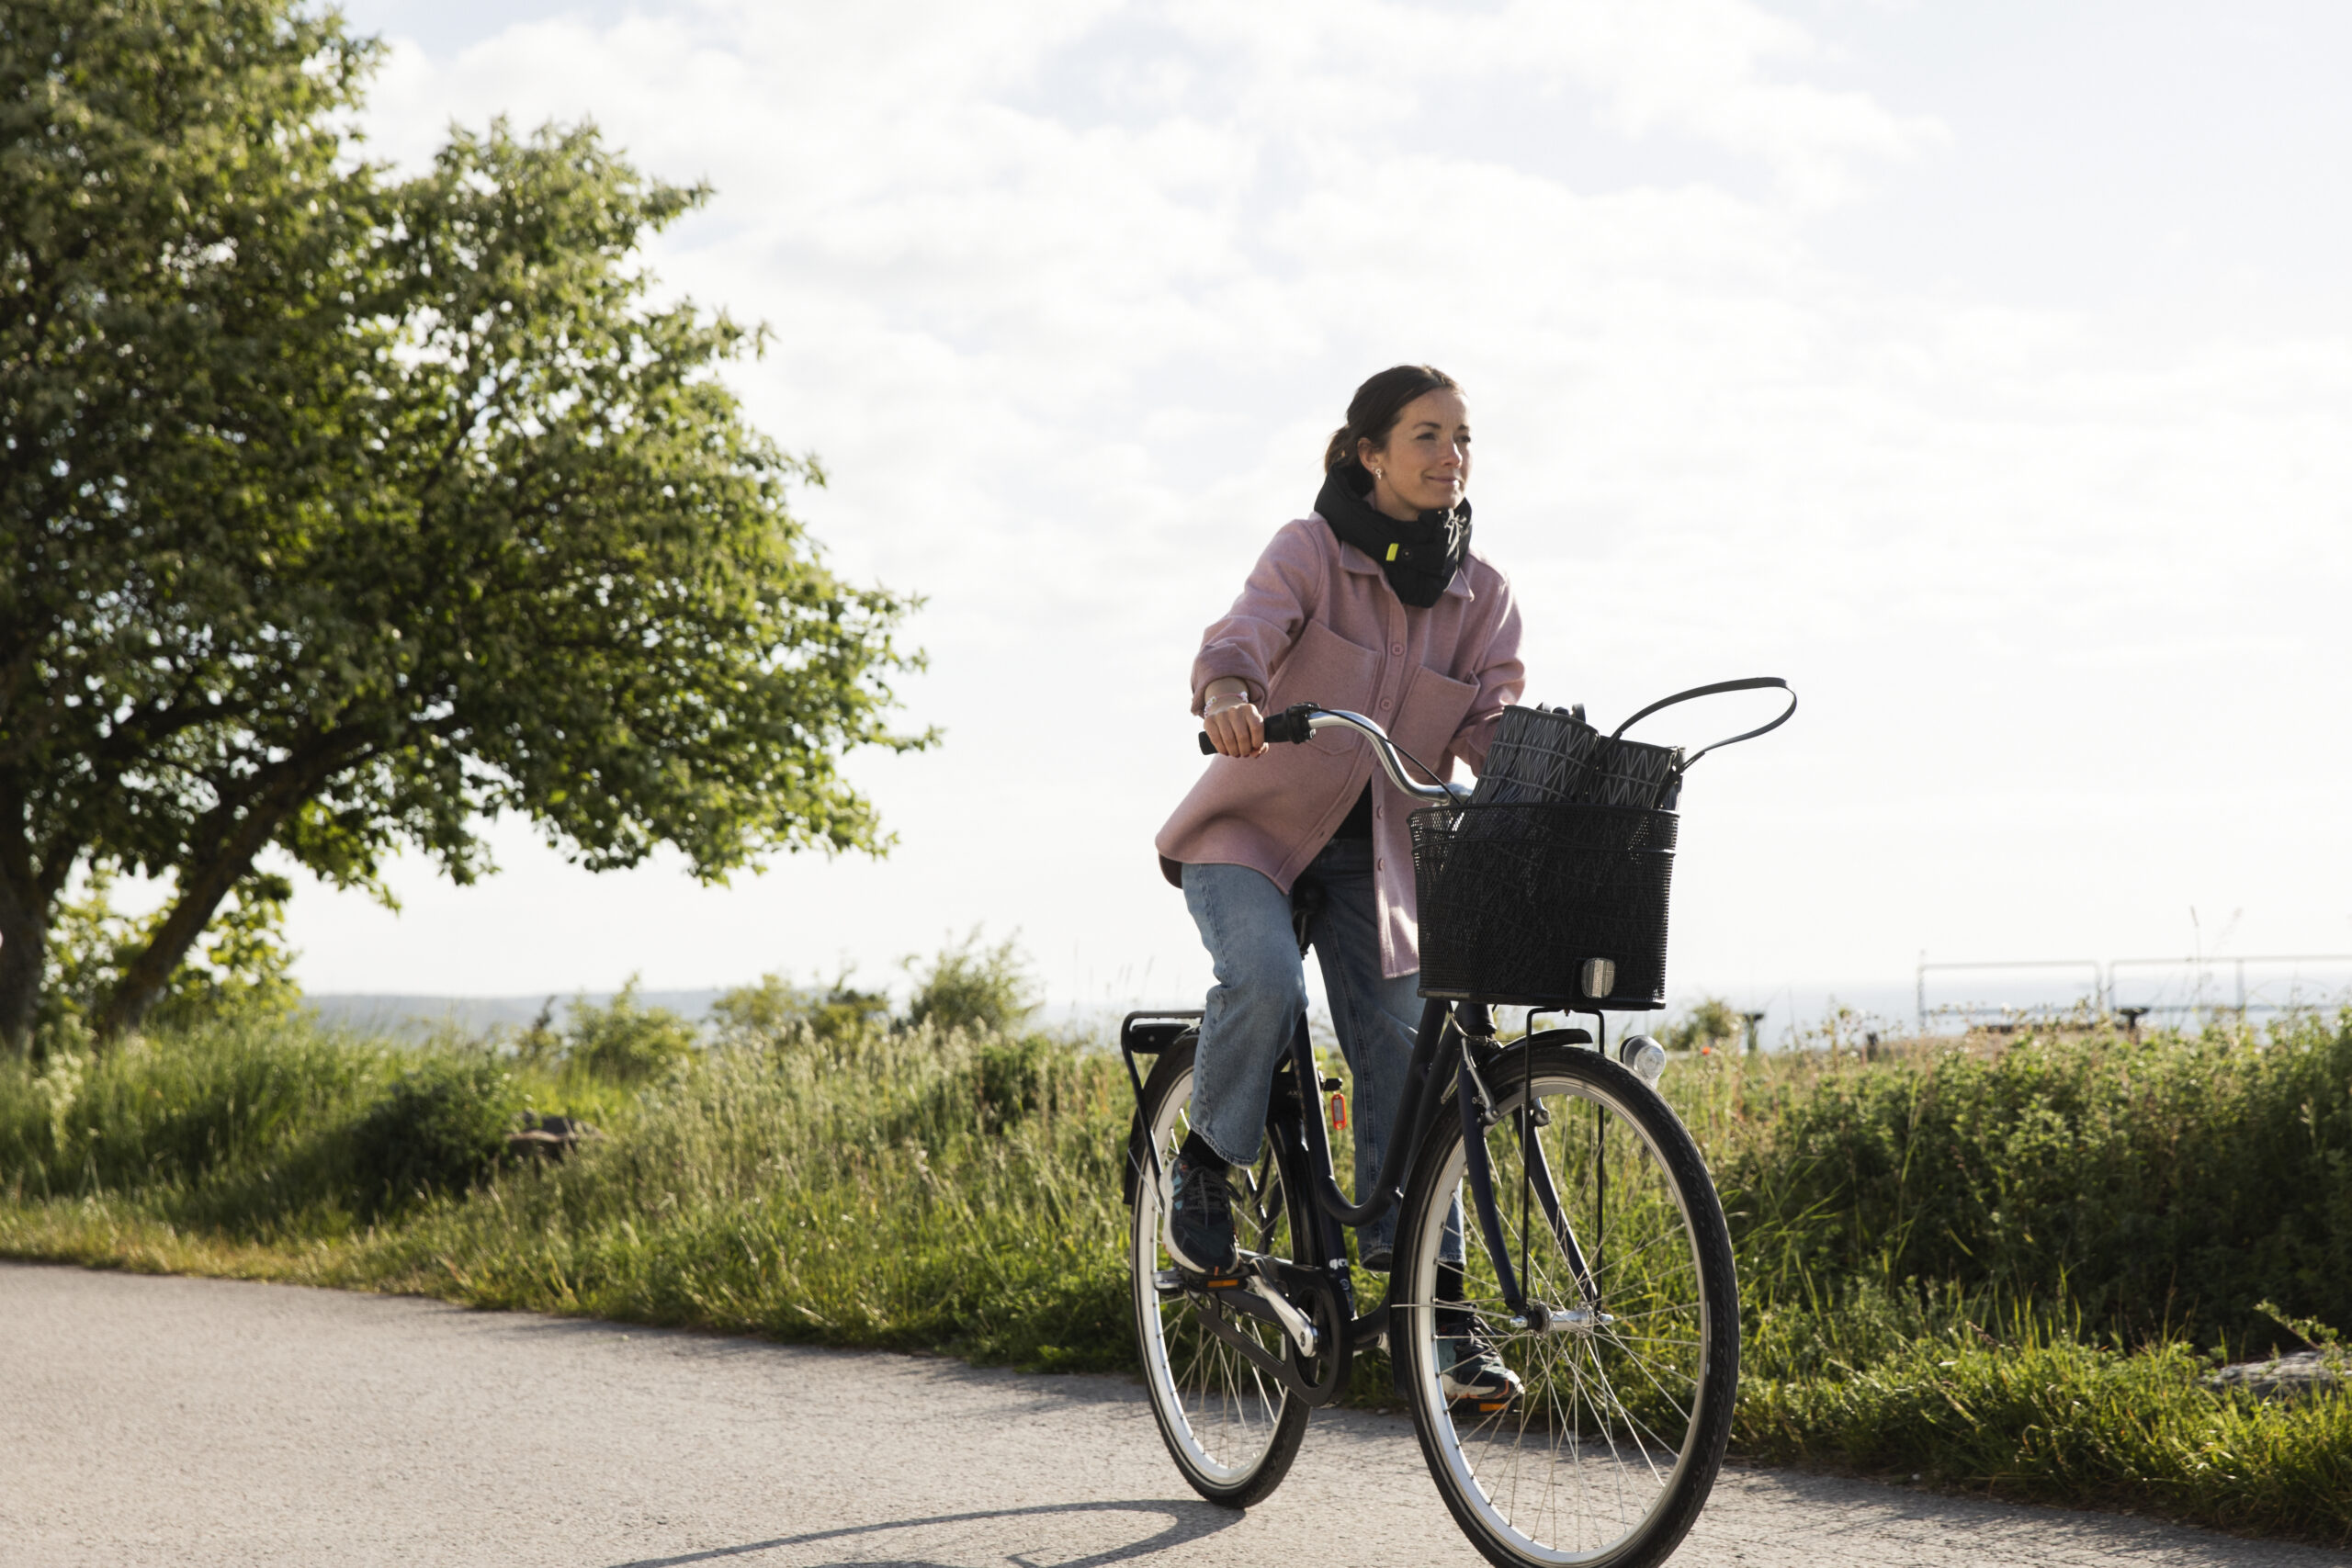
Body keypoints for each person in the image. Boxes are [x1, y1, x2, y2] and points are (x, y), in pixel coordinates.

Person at [1153, 365, 1525, 1402]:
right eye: (1425, 434)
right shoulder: (1310, 550)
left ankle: (1433, 1309)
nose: (1449, 454)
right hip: (1252, 834)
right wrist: (1230, 692)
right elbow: (1244, 636)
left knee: (1406, 1058)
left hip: (1384, 858)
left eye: (1461, 437)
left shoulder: (1480, 593)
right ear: (1369, 451)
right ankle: (1206, 1168)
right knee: (1266, 985)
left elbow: (1490, 723)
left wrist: (1536, 775)